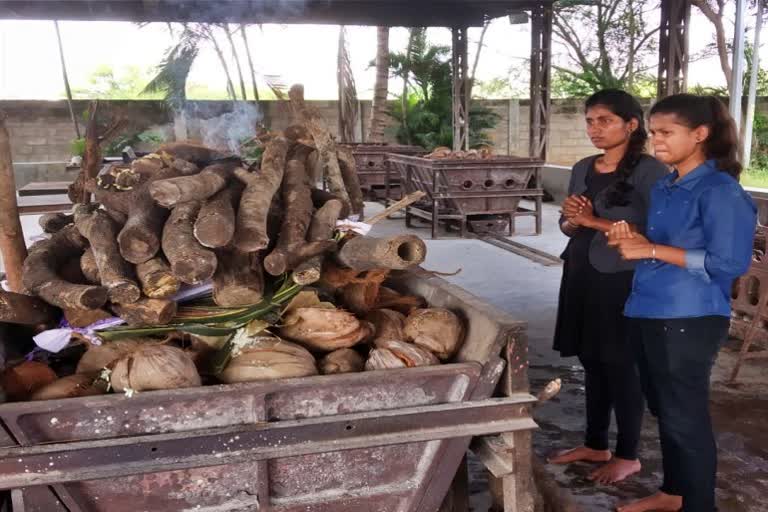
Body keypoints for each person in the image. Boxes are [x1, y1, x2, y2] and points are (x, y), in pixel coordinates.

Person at [609, 94, 757, 512]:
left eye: (666, 132)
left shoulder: (720, 191)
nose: (656, 141)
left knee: (684, 416)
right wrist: (635, 242)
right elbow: (664, 243)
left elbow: (730, 262)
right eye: (653, 132)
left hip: (689, 316)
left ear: (700, 134)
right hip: (649, 308)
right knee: (665, 408)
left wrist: (651, 250)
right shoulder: (667, 184)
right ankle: (674, 493)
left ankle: (698, 504)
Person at [550, 89, 669, 484]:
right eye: (590, 121)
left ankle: (628, 454)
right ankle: (596, 442)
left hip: (622, 277)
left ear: (631, 125)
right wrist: (570, 220)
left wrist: (591, 222)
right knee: (591, 359)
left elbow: (659, 232)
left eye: (605, 121)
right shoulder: (583, 166)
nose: (594, 129)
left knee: (620, 364)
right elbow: (569, 224)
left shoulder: (651, 172)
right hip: (581, 270)